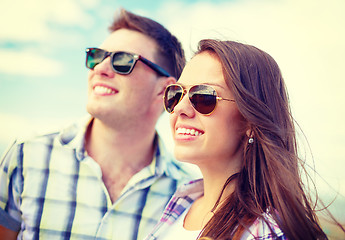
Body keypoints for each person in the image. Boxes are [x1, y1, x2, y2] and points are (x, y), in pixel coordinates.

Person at [0, 8, 195, 240]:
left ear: (163, 90)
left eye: (122, 61)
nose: (100, 68)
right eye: (96, 56)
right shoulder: (26, 157)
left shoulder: (186, 196)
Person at [145, 39, 345, 240]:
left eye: (204, 96)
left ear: (250, 121)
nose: (179, 108)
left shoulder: (268, 233)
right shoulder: (180, 204)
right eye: (176, 94)